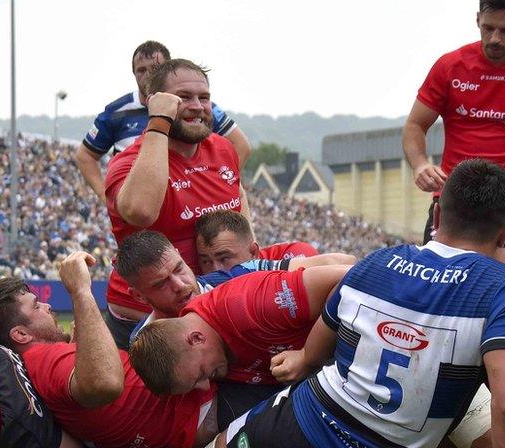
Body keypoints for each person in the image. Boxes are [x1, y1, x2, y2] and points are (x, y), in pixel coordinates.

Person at [36, 160, 505, 448]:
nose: (205, 383)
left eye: (204, 374)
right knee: (484, 438)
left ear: (438, 211)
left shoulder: (368, 266)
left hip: (302, 428)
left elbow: (331, 302)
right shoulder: (503, 287)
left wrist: (308, 360)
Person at [0, 251, 265, 448]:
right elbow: (104, 382)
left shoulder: (41, 367)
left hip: (201, 406)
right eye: (36, 307)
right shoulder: (43, 360)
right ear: (21, 334)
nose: (48, 306)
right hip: (209, 407)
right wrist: (80, 290)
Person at [103, 58, 250, 350]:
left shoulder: (222, 149)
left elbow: (238, 198)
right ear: (157, 104)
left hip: (209, 308)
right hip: (145, 322)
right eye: (183, 98)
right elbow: (141, 212)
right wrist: (159, 123)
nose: (197, 106)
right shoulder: (128, 164)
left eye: (204, 97)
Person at [402, 0, 505, 279]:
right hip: (456, 199)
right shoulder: (450, 66)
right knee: (439, 284)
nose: (495, 38)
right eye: (488, 28)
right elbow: (415, 125)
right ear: (477, 19)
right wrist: (419, 164)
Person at [129, 265, 348, 394]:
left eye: (200, 376)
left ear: (196, 339)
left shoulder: (253, 304)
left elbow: (348, 278)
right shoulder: (189, 348)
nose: (205, 387)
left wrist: (308, 356)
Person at [73, 41, 251, 198]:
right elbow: (85, 155)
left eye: (155, 68)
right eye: (141, 70)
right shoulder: (117, 112)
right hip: (140, 208)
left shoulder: (197, 107)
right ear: (133, 74)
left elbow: (241, 145)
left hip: (188, 205)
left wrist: (218, 186)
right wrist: (106, 196)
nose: (148, 75)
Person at [115, 229, 356, 340]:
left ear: (182, 257)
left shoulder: (235, 276)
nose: (179, 284)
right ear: (139, 297)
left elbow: (340, 262)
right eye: (160, 284)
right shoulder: (145, 342)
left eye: (179, 269)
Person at [194, 210, 322, 273]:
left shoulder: (296, 255)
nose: (216, 271)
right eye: (206, 262)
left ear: (253, 252)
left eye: (224, 259)